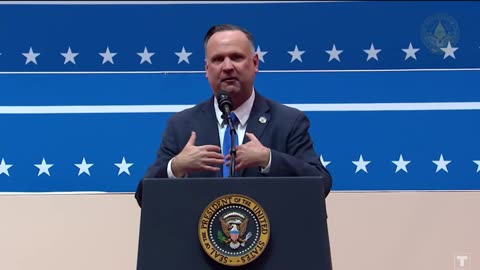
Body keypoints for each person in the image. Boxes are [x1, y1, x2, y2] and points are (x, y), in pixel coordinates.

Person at [135, 24, 332, 206]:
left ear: (255, 63)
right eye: (218, 59)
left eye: (236, 57)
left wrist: (269, 159)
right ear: (207, 69)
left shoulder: (288, 121)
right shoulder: (181, 125)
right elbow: (144, 195)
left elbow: (321, 183)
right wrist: (176, 166)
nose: (227, 67)